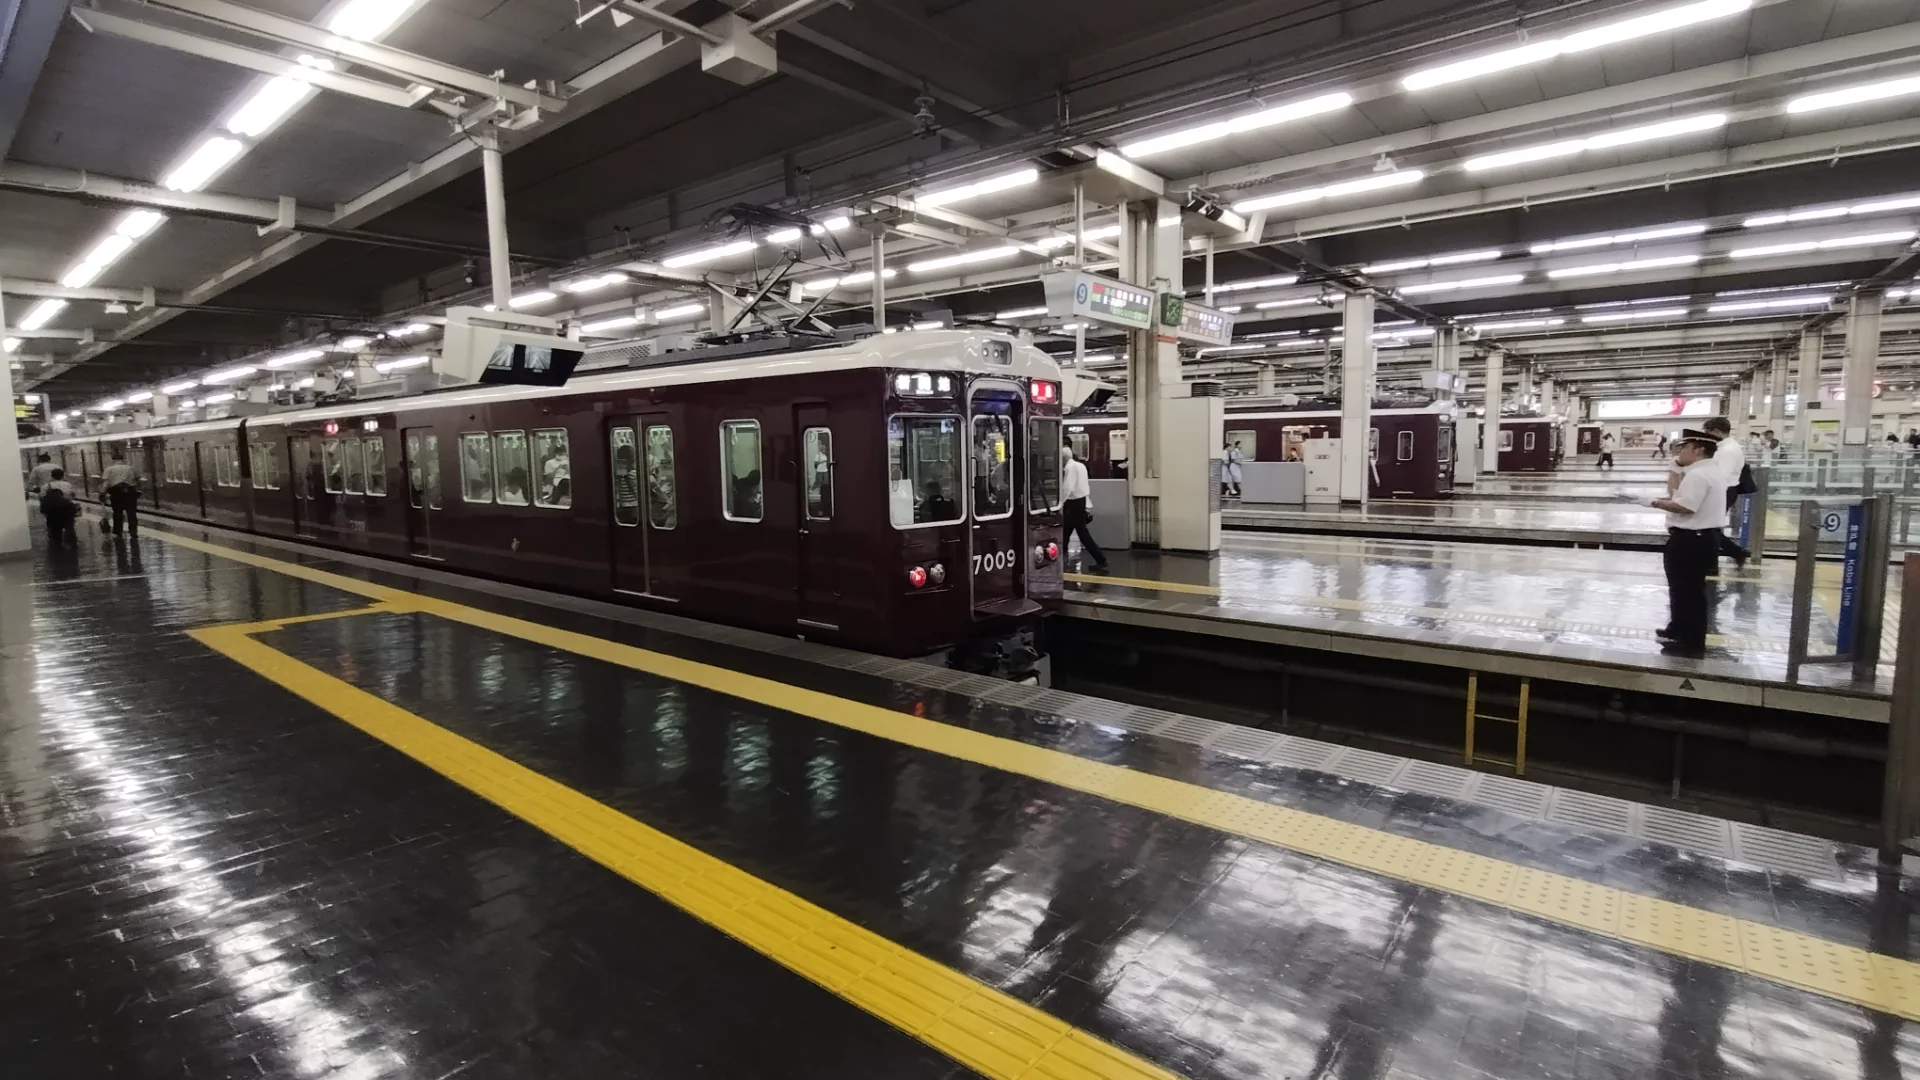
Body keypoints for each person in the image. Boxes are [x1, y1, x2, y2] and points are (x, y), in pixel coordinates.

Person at [1628, 430, 1726, 657]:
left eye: (1684, 447)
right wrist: (1674, 469)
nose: (1679, 451)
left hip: (1691, 540)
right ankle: (1678, 629)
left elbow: (1684, 506)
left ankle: (1690, 642)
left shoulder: (1699, 475)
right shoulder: (1709, 471)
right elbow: (1677, 495)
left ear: (1698, 449)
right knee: (1684, 590)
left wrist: (1653, 502)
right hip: (1701, 538)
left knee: (1687, 591)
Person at [1697, 417, 1751, 567]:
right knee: (1709, 527)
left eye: (1708, 432)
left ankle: (1732, 554)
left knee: (1709, 527)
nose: (1706, 435)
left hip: (1724, 491)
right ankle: (1716, 561)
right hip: (1724, 490)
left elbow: (1721, 475)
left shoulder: (1727, 450)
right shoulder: (1726, 447)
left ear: (1716, 431)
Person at [1061, 441, 1108, 572]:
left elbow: (1067, 487)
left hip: (1073, 504)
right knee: (1066, 533)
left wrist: (1060, 503)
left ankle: (1101, 560)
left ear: (1063, 458)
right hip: (1080, 502)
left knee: (1081, 535)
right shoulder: (1081, 465)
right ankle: (1061, 562)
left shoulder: (1070, 468)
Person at [103, 448, 140, 539]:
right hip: (130, 492)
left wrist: (102, 493)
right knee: (132, 513)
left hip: (116, 493)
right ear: (123, 459)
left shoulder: (109, 469)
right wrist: (136, 488)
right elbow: (138, 479)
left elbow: (106, 483)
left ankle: (118, 532)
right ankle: (133, 532)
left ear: (113, 460)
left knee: (117, 513)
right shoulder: (130, 468)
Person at [39, 468, 78, 551]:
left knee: (54, 527)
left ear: (52, 476)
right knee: (69, 525)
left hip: (53, 510)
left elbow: (42, 497)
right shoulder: (68, 484)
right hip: (67, 508)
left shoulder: (46, 486)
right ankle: (72, 544)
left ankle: (57, 545)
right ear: (62, 476)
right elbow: (73, 495)